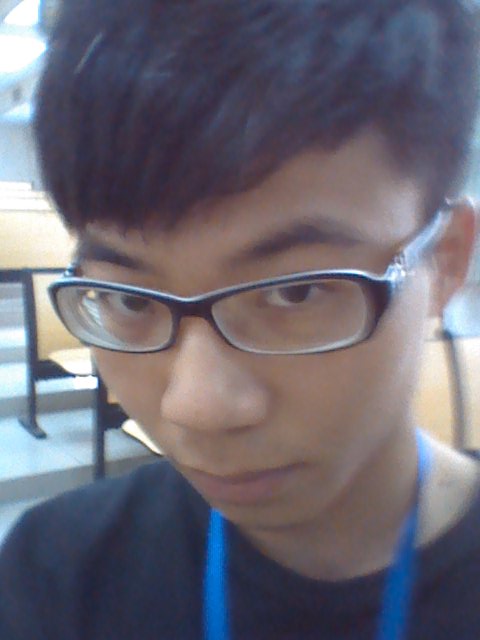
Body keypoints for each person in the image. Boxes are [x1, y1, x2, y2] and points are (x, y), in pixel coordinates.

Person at [1, 0, 479, 638]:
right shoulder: (56, 572)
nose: (197, 407)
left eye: (297, 293)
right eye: (132, 300)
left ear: (445, 262)